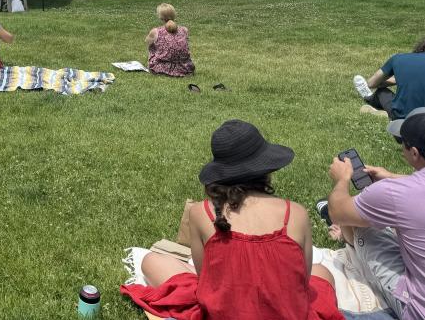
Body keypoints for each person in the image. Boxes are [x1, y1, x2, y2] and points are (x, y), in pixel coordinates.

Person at [122, 119, 342, 320]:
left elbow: (205, 280)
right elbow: (301, 283)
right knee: (321, 273)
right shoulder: (295, 213)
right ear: (266, 167)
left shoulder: (201, 213)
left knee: (151, 261)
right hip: (284, 313)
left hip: (224, 312)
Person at [326, 108, 425, 319]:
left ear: (414, 153)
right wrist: (390, 176)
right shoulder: (403, 188)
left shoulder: (396, 193)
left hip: (418, 309)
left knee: (363, 228)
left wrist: (342, 179)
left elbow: (338, 212)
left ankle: (347, 239)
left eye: (403, 144)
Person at [354, 39, 425, 121]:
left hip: (402, 117)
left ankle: (369, 97)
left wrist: (397, 79)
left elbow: (371, 83)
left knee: (382, 92)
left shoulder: (398, 58)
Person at [145, 2, 195, 77]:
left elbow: (147, 42)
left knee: (151, 46)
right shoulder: (184, 30)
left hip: (160, 68)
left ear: (160, 17)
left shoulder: (155, 31)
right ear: (174, 15)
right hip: (185, 68)